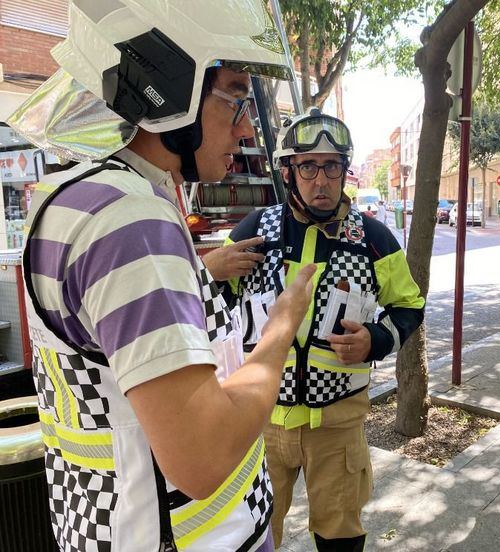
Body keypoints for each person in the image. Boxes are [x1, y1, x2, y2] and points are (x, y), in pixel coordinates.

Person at [12, 2, 314, 550]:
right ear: (169, 87)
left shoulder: (80, 198)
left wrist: (198, 272)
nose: (246, 128)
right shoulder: (129, 221)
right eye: (236, 99)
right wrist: (281, 327)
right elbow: (202, 457)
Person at [207, 107, 425, 551]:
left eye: (332, 167)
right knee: (256, 535)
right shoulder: (254, 230)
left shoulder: (374, 239)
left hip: (338, 424)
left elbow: (410, 305)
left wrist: (376, 340)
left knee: (340, 534)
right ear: (289, 173)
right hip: (259, 420)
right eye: (309, 167)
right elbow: (204, 312)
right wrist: (206, 270)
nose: (321, 180)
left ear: (346, 172)